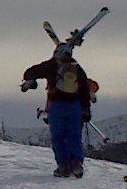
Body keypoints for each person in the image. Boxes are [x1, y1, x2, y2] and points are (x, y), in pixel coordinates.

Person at [21, 44, 92, 177]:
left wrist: (30, 80)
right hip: (75, 106)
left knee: (58, 137)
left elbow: (30, 72)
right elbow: (84, 89)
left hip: (56, 106)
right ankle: (77, 164)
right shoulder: (76, 68)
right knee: (74, 137)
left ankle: (63, 166)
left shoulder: (51, 65)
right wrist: (86, 109)